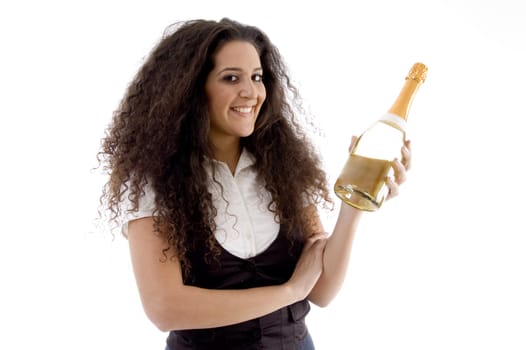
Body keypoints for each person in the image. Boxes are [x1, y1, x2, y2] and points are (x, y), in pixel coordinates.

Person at [97, 18, 411, 350]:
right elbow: (164, 308)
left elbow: (322, 291)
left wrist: (353, 204)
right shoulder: (154, 179)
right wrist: (288, 292)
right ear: (189, 87)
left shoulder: (284, 167)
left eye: (257, 77)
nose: (251, 92)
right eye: (231, 78)